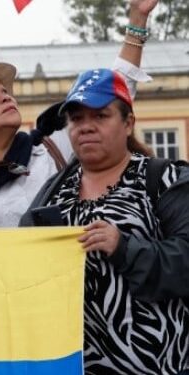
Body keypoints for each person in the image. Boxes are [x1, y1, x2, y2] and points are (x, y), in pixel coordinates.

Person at [0, 0, 155, 228]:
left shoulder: (51, 149)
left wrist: (137, 19)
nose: (6, 97)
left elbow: (113, 89)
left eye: (4, 91)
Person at [20, 68, 189, 374]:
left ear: (128, 124)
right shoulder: (52, 193)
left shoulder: (164, 179)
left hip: (158, 365)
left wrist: (124, 248)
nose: (85, 127)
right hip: (76, 365)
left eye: (100, 116)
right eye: (77, 119)